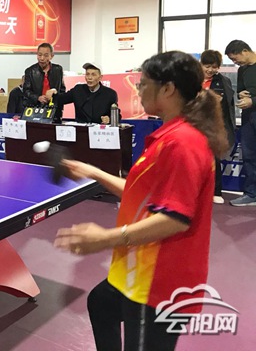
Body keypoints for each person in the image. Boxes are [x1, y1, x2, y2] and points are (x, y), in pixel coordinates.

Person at [54, 51, 227, 351]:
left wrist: (104, 239)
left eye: (144, 84)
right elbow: (144, 195)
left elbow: (174, 218)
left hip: (158, 283)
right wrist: (93, 172)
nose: (138, 90)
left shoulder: (183, 143)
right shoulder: (170, 135)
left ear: (168, 89)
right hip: (140, 270)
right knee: (101, 304)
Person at [200, 50, 236, 204]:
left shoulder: (224, 81)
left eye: (214, 67)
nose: (210, 70)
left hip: (213, 126)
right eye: (207, 66)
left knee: (214, 159)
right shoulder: (191, 80)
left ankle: (216, 191)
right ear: (201, 64)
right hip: (192, 125)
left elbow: (229, 106)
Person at [225, 39, 256, 206]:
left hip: (252, 108)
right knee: (249, 155)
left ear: (245, 51)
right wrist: (242, 95)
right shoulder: (242, 70)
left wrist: (253, 100)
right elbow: (241, 91)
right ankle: (252, 193)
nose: (235, 62)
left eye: (235, 58)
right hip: (248, 117)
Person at [46, 63, 119, 124]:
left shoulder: (110, 94)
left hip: (99, 131)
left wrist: (109, 119)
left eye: (93, 75)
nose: (89, 77)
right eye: (87, 74)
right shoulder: (78, 90)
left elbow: (117, 115)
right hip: (81, 130)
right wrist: (53, 92)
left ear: (100, 77)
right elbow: (61, 99)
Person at [22, 43, 65, 117]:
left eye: (46, 55)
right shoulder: (30, 71)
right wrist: (38, 98)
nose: (42, 58)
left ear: (52, 56)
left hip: (54, 110)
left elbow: (62, 89)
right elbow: (26, 91)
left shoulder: (58, 70)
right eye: (39, 55)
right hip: (35, 110)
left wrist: (54, 94)